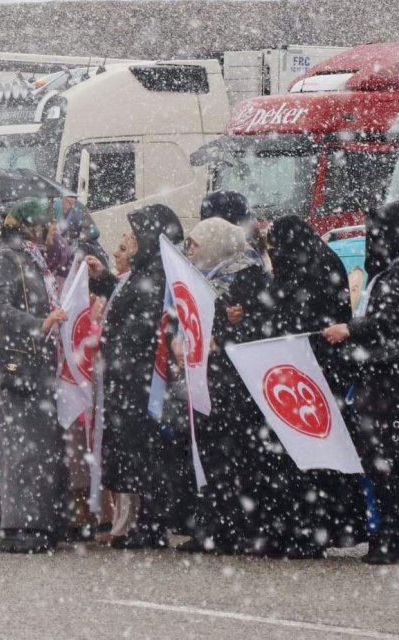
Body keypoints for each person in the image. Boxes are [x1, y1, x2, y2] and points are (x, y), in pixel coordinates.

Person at [323, 201, 399, 565]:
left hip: (393, 383)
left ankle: (394, 540)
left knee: (389, 462)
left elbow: (391, 325)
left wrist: (350, 330)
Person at [177, 217, 293, 557]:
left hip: (236, 380)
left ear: (215, 242)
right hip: (211, 377)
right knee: (212, 455)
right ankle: (213, 527)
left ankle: (237, 528)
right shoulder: (205, 274)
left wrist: (228, 333)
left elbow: (261, 325)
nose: (192, 250)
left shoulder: (246, 273)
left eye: (197, 243)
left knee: (236, 455)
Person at [84, 205, 184, 550]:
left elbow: (139, 327)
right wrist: (105, 279)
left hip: (139, 382)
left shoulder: (155, 275)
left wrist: (114, 355)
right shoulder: (148, 271)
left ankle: (151, 525)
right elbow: (127, 300)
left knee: (145, 453)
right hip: (131, 380)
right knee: (135, 452)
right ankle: (145, 523)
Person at [266, 216, 364, 549]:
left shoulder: (309, 267)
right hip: (312, 371)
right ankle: (320, 525)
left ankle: (311, 528)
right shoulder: (320, 260)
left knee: (311, 450)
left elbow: (295, 316)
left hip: (311, 371)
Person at [0, 199, 69, 554]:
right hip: (19, 364)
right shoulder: (7, 256)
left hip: (41, 363)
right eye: (47, 224)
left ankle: (41, 520)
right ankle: (20, 524)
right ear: (29, 225)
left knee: (40, 447)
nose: (52, 230)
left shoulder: (32, 255)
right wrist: (39, 325)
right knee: (20, 448)